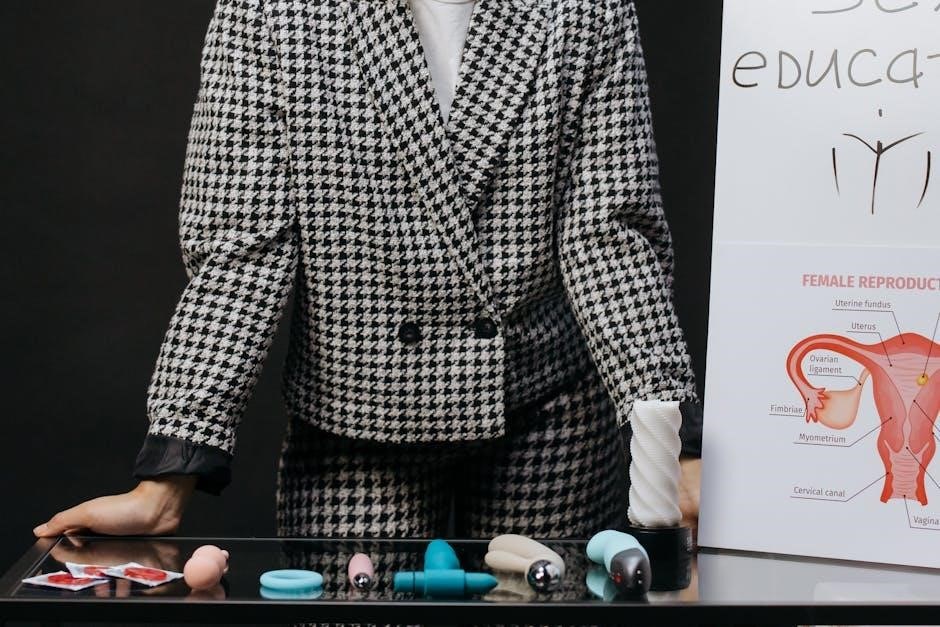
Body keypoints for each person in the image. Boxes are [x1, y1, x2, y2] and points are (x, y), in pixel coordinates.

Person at [35, 0, 703, 547]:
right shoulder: (268, 11)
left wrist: (672, 445)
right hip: (354, 417)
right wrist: (169, 474)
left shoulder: (588, 8)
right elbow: (242, 251)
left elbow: (610, 239)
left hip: (544, 409)